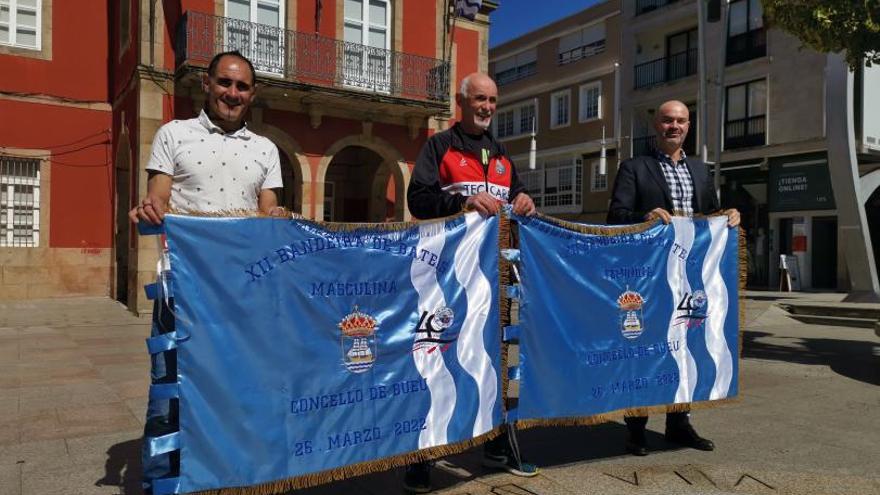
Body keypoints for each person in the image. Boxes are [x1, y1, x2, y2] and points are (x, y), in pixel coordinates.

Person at [129, 50, 284, 494]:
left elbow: (267, 212)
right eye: (224, 83)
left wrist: (278, 220)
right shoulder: (173, 134)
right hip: (185, 289)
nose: (231, 93)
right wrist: (150, 208)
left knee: (240, 392)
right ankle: (160, 484)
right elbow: (157, 196)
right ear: (207, 84)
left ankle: (233, 479)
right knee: (169, 394)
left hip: (243, 294)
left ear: (252, 94)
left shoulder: (266, 149)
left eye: (241, 86)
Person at [404, 72, 537, 493]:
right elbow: (418, 198)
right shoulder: (439, 146)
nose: (487, 107)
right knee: (434, 359)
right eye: (479, 99)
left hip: (494, 278)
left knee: (495, 359)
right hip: (444, 280)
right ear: (462, 102)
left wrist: (525, 200)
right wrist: (461, 202)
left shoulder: (501, 154)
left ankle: (498, 444)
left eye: (493, 100)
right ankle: (422, 458)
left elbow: (517, 198)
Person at [607, 100, 740, 456]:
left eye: (681, 121)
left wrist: (728, 214)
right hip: (650, 278)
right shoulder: (635, 167)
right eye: (667, 120)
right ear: (656, 125)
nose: (674, 126)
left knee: (687, 348)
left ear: (688, 126)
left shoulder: (700, 170)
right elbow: (616, 214)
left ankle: (679, 424)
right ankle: (636, 429)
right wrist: (645, 214)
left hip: (690, 278)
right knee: (646, 349)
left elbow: (710, 214)